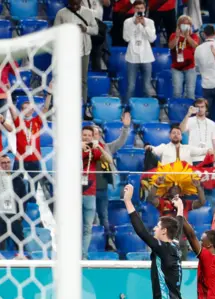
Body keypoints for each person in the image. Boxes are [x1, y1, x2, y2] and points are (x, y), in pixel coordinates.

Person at [93, 112, 132, 251]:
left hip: (102, 188)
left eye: (96, 133)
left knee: (104, 216)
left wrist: (126, 127)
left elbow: (121, 141)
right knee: (90, 218)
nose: (94, 136)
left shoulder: (106, 148)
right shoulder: (81, 149)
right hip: (86, 189)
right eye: (92, 134)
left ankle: (107, 242)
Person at [53, 0, 98, 104]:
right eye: (72, 4)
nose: (74, 6)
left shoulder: (88, 12)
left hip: (84, 52)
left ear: (81, 2)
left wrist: (85, 28)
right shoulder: (61, 13)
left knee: (83, 80)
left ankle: (83, 104)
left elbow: (95, 30)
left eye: (76, 4)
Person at [82, 126, 108, 259]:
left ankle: (83, 256)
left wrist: (98, 146)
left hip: (90, 194)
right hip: (74, 194)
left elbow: (108, 160)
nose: (86, 137)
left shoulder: (95, 150)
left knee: (87, 227)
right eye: (84, 135)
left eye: (89, 135)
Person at [122, 0, 156, 104]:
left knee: (147, 86)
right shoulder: (127, 22)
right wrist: (134, 24)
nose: (139, 10)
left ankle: (148, 109)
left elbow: (152, 39)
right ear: (134, 9)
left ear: (144, 9)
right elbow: (126, 38)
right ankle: (127, 110)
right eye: (137, 8)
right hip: (132, 57)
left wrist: (145, 25)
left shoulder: (150, 22)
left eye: (141, 8)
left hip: (146, 57)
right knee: (131, 86)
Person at [145, 124, 211, 165]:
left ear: (181, 137)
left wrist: (209, 150)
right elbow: (153, 150)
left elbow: (202, 151)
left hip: (185, 178)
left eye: (178, 133)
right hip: (167, 178)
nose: (176, 135)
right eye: (173, 133)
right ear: (169, 136)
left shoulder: (188, 148)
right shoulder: (163, 147)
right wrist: (149, 147)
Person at [0, 154, 27, 255]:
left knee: (20, 242)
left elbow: (24, 199)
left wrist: (21, 215)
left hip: (15, 215)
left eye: (8, 162)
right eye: (3, 163)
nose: (6, 165)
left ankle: (22, 259)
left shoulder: (18, 180)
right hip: (0, 215)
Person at [168, 15, 199, 100]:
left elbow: (196, 46)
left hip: (190, 67)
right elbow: (170, 46)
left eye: (187, 24)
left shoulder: (194, 36)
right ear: (179, 25)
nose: (185, 25)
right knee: (177, 92)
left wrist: (187, 36)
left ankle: (191, 111)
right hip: (176, 68)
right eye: (183, 24)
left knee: (190, 92)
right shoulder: (173, 35)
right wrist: (177, 37)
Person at [179, 98, 215, 164]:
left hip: (209, 158)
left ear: (206, 108)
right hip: (194, 158)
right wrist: (188, 114)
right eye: (198, 107)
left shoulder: (212, 123)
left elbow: (214, 143)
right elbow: (181, 130)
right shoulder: (189, 120)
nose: (200, 109)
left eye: (202, 107)